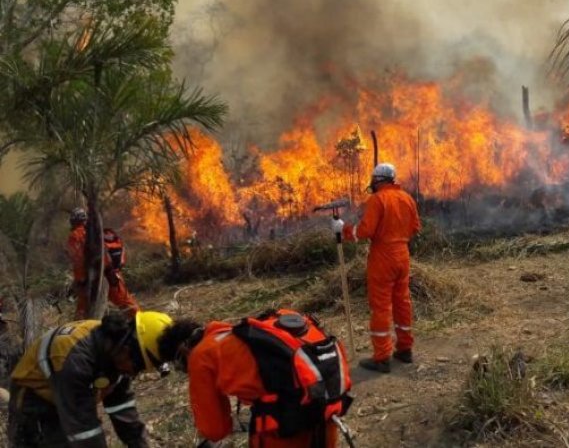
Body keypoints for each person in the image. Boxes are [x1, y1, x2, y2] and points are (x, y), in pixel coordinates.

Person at [158, 308, 352, 448]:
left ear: (183, 349)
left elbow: (215, 430)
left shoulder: (202, 355)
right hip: (327, 412)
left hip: (283, 429)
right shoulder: (255, 331)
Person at [7, 310, 175, 447]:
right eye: (138, 367)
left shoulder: (116, 353)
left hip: (70, 399)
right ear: (126, 347)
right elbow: (84, 431)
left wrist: (140, 444)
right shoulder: (72, 358)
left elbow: (122, 409)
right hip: (35, 404)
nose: (133, 374)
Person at [333, 163, 422, 373]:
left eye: (373, 180)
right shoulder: (407, 198)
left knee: (381, 305)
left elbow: (364, 231)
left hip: (383, 257)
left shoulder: (377, 199)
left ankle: (382, 358)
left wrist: (343, 229)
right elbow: (416, 227)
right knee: (402, 301)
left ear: (378, 180)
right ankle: (405, 349)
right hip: (403, 255)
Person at [67, 208, 139, 319]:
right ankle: (140, 323)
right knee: (126, 303)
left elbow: (78, 260)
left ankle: (82, 333)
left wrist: (79, 281)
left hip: (92, 278)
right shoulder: (99, 231)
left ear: (73, 221)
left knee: (83, 311)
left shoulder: (75, 236)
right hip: (112, 275)